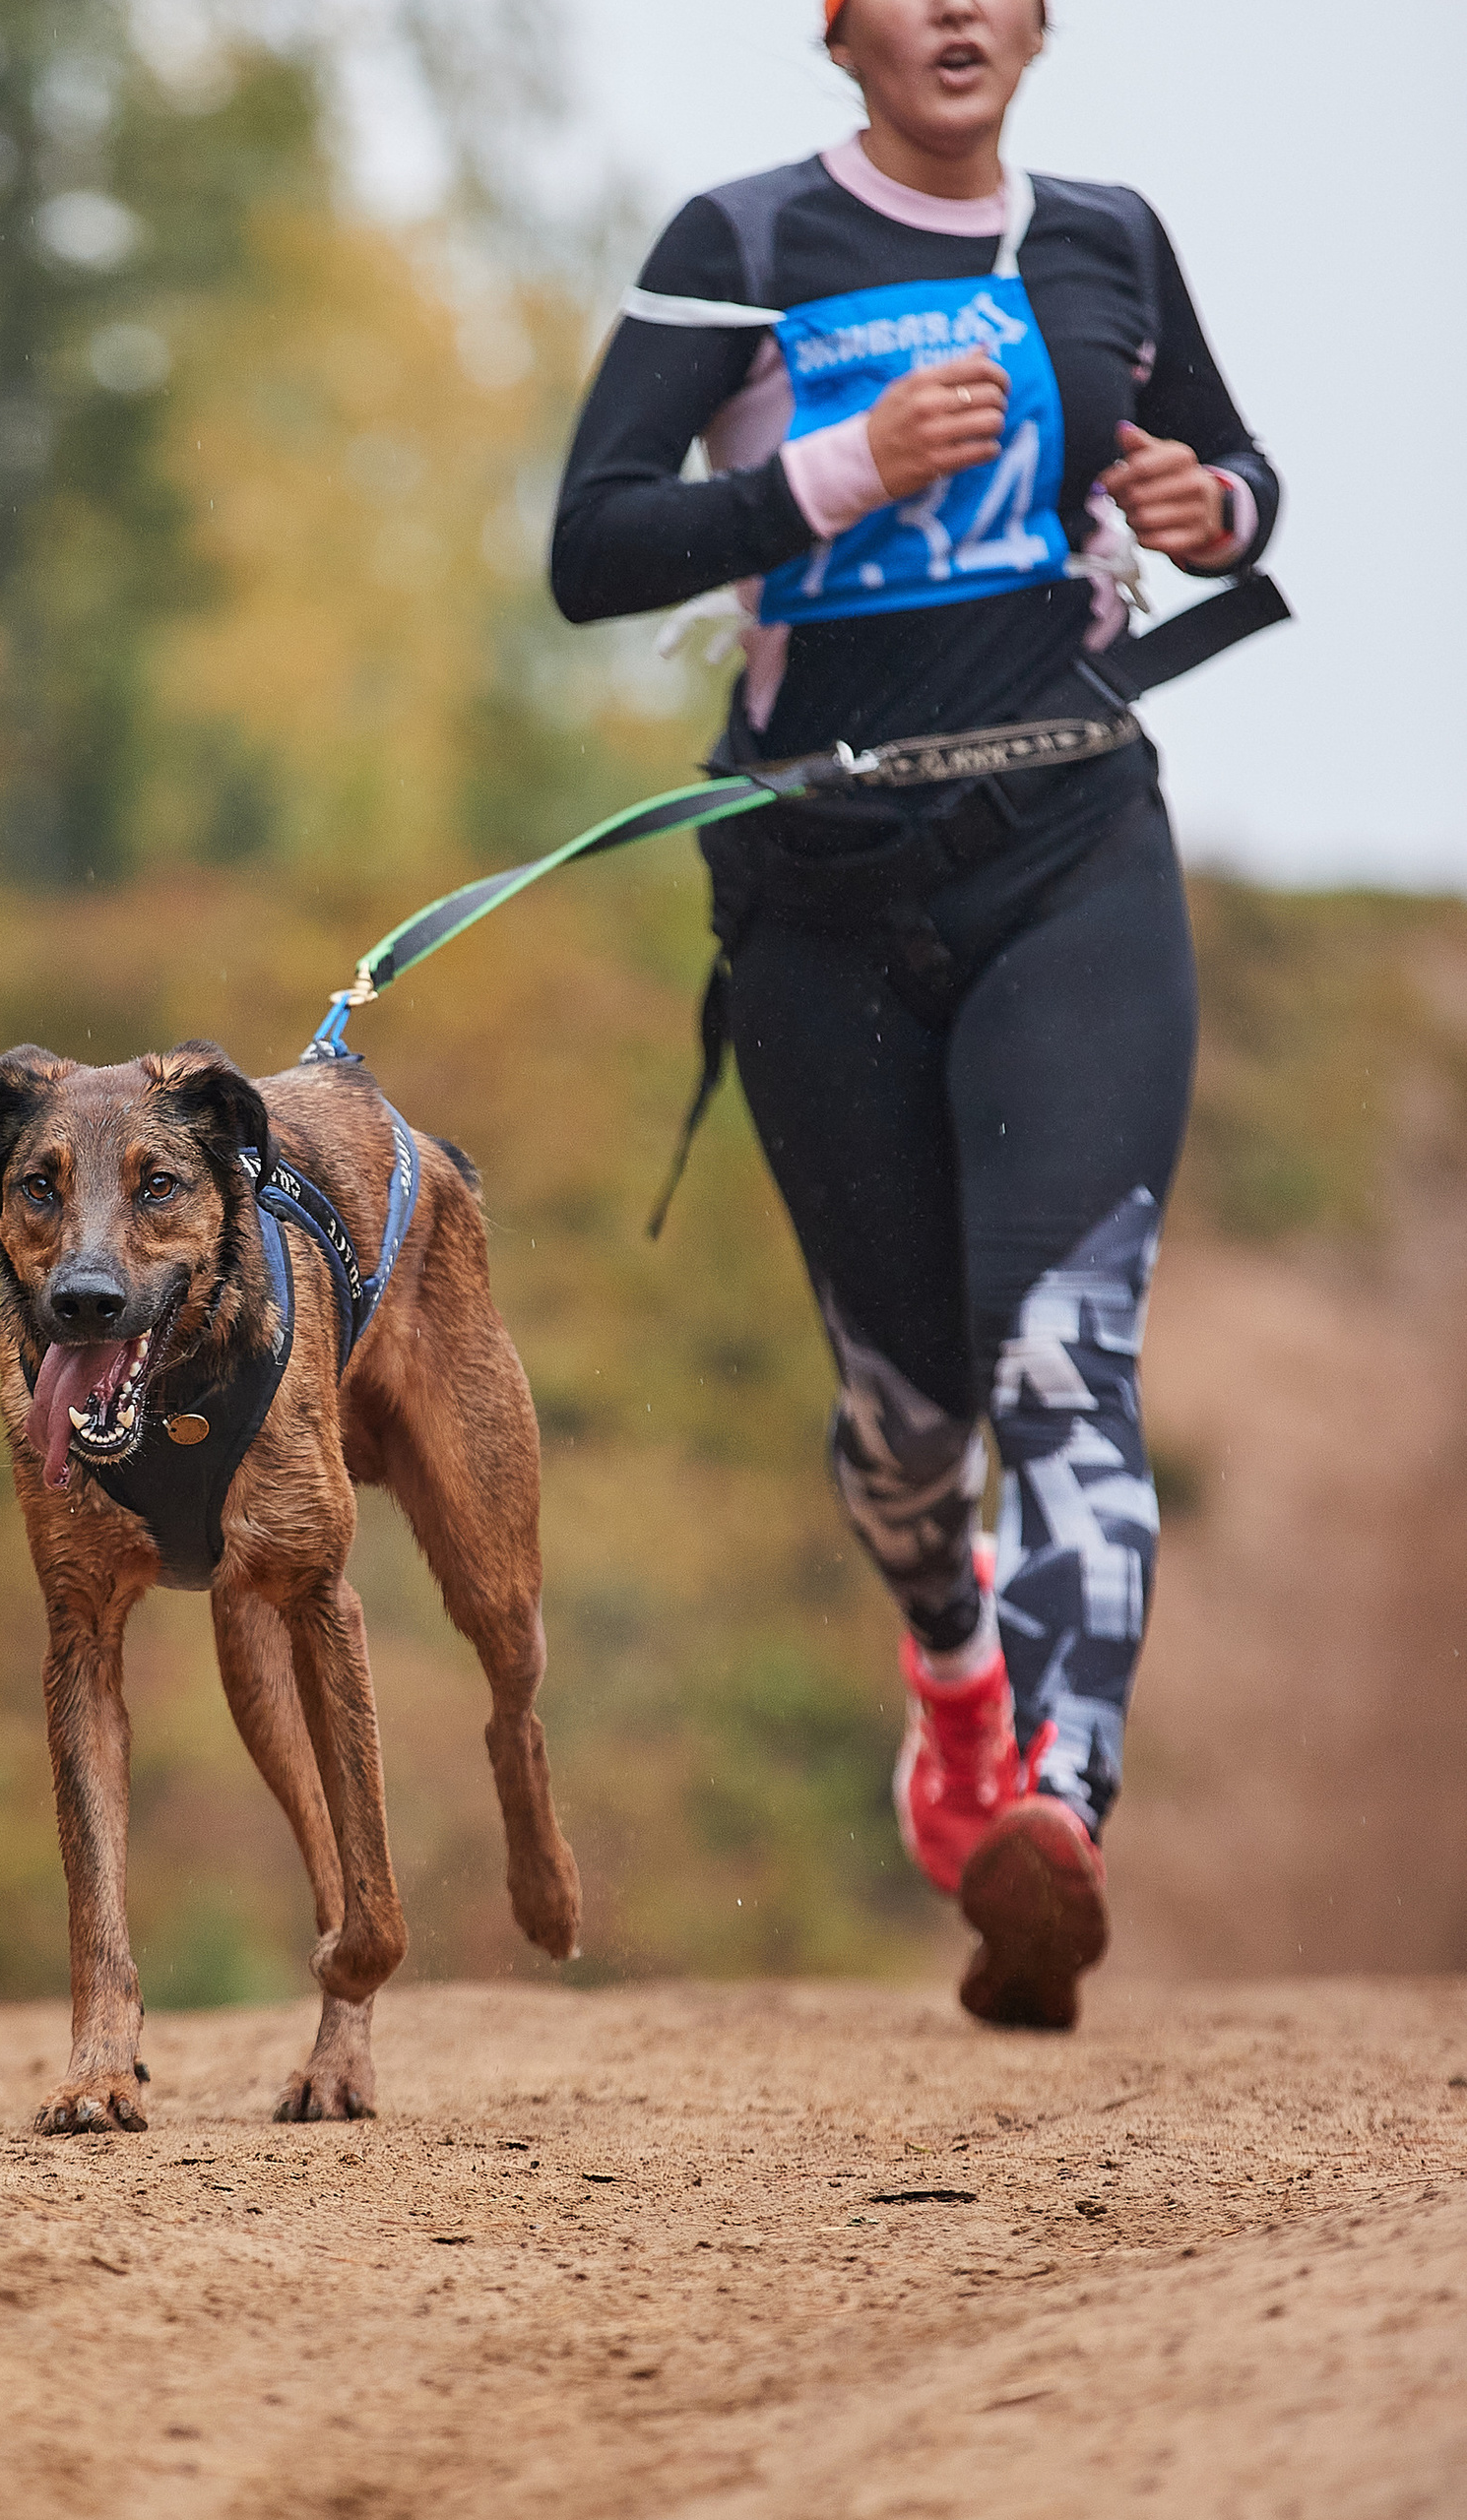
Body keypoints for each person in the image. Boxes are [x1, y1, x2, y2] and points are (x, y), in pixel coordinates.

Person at [549, 0, 1278, 2027]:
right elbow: (588, 547)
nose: (955, 11)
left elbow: (1231, 472)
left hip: (1067, 855)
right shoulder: (741, 244)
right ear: (837, 27)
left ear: (1036, 25)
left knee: (1064, 1350)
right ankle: (950, 1661)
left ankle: (1055, 1806)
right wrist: (831, 474)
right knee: (908, 1419)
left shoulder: (1104, 241)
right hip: (816, 902)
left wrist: (1215, 511)